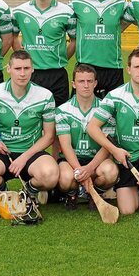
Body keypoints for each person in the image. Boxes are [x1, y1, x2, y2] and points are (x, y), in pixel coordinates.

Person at [86, 48, 139, 215]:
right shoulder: (115, 96)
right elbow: (92, 127)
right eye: (137, 66)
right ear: (129, 69)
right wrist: (115, 150)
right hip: (125, 159)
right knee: (127, 211)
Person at [0, 50, 58, 207]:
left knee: (50, 175)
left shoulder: (45, 96)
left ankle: (28, 192)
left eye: (26, 68)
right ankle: (2, 191)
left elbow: (49, 136)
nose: (22, 73)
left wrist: (24, 157)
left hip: (32, 153)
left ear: (33, 69)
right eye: (18, 69)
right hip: (2, 152)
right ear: (9, 69)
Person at [55, 64, 120, 210]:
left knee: (110, 172)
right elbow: (65, 146)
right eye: (81, 81)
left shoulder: (106, 108)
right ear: (74, 84)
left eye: (89, 81)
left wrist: (89, 169)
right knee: (65, 179)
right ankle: (72, 194)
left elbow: (107, 145)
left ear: (95, 83)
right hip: (72, 161)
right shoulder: (62, 110)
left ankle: (95, 192)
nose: (85, 85)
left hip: (96, 160)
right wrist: (80, 171)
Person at [11, 0, 75, 107]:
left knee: (59, 118)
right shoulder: (20, 12)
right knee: (31, 118)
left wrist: (61, 57)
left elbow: (74, 41)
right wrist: (23, 60)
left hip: (57, 75)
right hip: (31, 74)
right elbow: (14, 38)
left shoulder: (66, 12)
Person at [70, 0, 130, 98]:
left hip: (113, 69)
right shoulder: (77, 2)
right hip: (85, 68)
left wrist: (116, 28)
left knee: (114, 116)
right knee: (80, 113)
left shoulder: (121, 2)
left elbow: (133, 19)